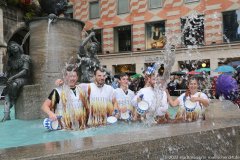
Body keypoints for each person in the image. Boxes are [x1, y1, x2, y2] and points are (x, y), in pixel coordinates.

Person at [1, 41, 31, 122]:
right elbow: (8, 71)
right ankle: (6, 115)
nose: (14, 47)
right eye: (11, 47)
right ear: (10, 51)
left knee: (14, 84)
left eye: (15, 45)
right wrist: (6, 75)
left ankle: (13, 100)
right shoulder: (10, 60)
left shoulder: (25, 57)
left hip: (24, 79)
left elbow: (24, 71)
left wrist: (13, 77)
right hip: (13, 78)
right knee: (6, 92)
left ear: (18, 46)